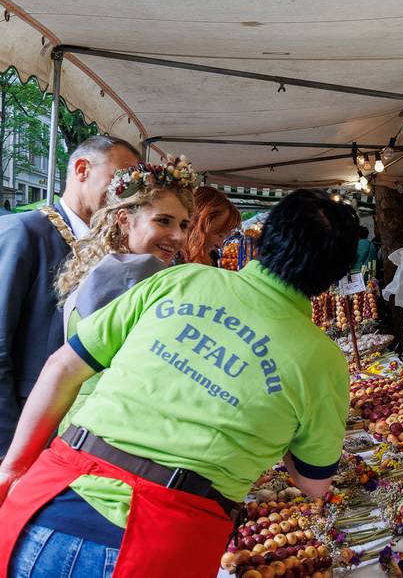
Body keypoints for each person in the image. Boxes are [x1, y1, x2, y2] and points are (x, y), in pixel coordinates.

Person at [0, 190, 359, 578]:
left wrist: (12, 468)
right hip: (162, 543)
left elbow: (63, 366)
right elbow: (314, 484)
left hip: (44, 503)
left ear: (265, 239)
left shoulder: (182, 278)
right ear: (332, 278)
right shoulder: (323, 362)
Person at [0, 135, 139, 457]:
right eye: (120, 180)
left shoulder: (112, 247)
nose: (127, 194)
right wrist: (7, 447)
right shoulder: (23, 231)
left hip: (81, 429)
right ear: (81, 170)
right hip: (26, 427)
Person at [55, 157, 199, 429]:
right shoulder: (137, 273)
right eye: (163, 221)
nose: (178, 236)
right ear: (124, 220)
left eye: (183, 225)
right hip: (109, 427)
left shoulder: (102, 265)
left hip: (80, 420)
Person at [181, 186, 241, 265]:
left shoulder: (196, 259)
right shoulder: (170, 261)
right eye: (219, 235)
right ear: (196, 225)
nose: (220, 245)